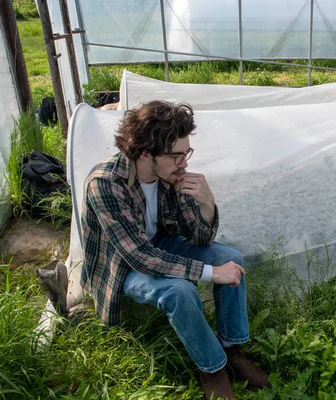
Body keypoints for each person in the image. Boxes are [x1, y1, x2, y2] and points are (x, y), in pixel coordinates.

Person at [80, 100, 270, 399]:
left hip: (160, 248)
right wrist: (210, 273)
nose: (185, 163)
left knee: (229, 256)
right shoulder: (105, 184)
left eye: (187, 153)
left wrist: (207, 204)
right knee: (179, 291)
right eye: (176, 156)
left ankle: (232, 350)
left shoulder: (169, 177)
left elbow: (200, 240)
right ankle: (213, 369)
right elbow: (139, 256)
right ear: (144, 152)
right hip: (123, 265)